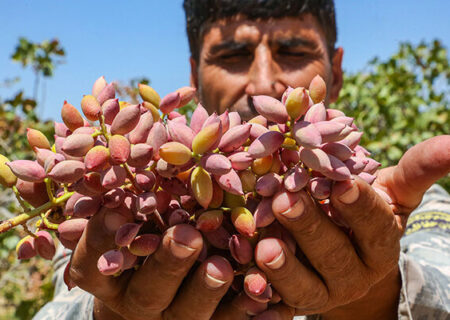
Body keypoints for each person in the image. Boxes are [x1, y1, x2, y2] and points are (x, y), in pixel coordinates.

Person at [33, 1, 450, 319]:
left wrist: (373, 298)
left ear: (335, 73)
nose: (264, 82)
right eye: (232, 56)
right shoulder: (112, 202)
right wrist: (110, 312)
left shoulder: (396, 203)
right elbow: (64, 303)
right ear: (194, 76)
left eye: (293, 51)